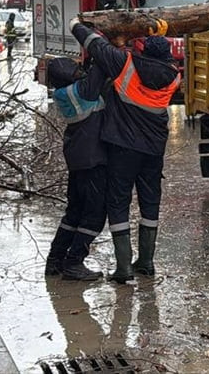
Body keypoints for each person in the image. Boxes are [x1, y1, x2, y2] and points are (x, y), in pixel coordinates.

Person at [70, 18, 180, 284]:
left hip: (123, 147)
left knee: (118, 203)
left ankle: (123, 269)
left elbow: (95, 45)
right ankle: (146, 262)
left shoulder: (125, 65)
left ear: (141, 50)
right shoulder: (174, 75)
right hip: (154, 148)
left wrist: (77, 23)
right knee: (150, 202)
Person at [44, 56, 110, 281]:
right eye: (75, 69)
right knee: (95, 215)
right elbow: (102, 66)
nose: (79, 70)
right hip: (92, 160)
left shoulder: (63, 93)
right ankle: (74, 262)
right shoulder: (81, 91)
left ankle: (55, 260)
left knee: (74, 212)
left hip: (79, 157)